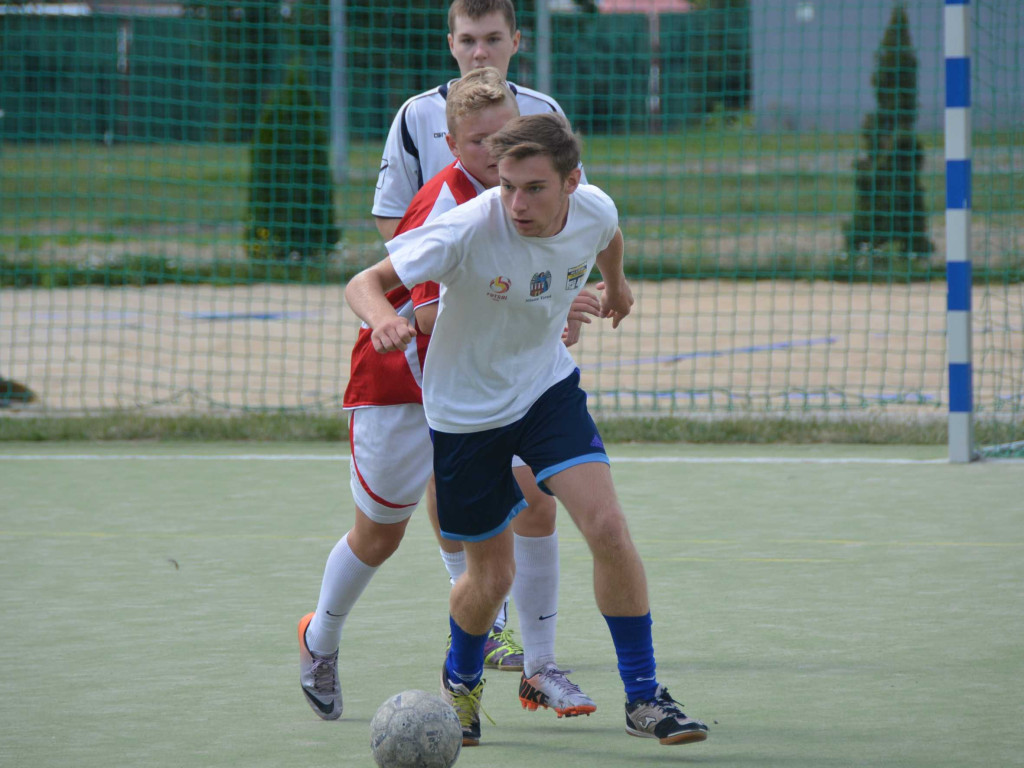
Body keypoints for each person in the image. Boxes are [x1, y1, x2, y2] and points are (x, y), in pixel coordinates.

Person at [345, 112, 710, 748]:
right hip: (465, 415)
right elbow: (366, 282)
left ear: (570, 183)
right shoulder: (466, 227)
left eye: (533, 188)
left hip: (546, 388)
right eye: (507, 184)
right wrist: (382, 319)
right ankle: (460, 685)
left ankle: (645, 697)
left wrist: (616, 286)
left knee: (607, 527)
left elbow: (609, 235)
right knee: (492, 580)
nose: (516, 202)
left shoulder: (592, 207)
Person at [298, 70, 598, 726]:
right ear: (453, 143)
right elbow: (436, 316)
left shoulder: (528, 196)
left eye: (508, 134)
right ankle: (319, 639)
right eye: (482, 141)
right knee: (378, 537)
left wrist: (561, 296)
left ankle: (528, 659)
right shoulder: (449, 211)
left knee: (535, 497)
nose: (499, 151)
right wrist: (549, 299)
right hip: (401, 387)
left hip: (481, 389)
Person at [371, 0, 587, 680]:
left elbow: (567, 208)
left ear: (517, 41)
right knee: (454, 464)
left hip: (522, 318)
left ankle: (534, 645)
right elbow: (397, 224)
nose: (480, 50)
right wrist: (440, 284)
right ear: (451, 43)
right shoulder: (417, 116)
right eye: (468, 39)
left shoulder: (543, 110)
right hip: (448, 315)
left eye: (493, 37)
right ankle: (478, 612)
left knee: (535, 484)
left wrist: (565, 292)